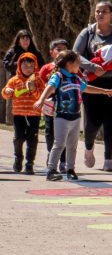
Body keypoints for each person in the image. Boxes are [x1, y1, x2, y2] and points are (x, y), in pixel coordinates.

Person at [34, 50, 112, 181]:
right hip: (61, 116)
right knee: (59, 144)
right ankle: (51, 170)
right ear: (69, 64)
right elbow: (50, 87)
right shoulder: (59, 76)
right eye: (78, 63)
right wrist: (41, 100)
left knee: (72, 146)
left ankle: (70, 169)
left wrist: (103, 91)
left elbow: (87, 88)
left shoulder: (76, 78)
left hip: (75, 117)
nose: (80, 65)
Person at [72, 0, 112, 172]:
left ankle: (108, 159)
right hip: (92, 82)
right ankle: (89, 147)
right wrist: (94, 67)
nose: (100, 14)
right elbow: (75, 54)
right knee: (93, 121)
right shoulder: (88, 33)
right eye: (98, 11)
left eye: (104, 11)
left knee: (110, 119)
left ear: (111, 14)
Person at [2, 52, 44, 174]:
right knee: (19, 138)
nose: (28, 68)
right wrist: (7, 91)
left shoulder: (38, 80)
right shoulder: (14, 80)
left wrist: (34, 89)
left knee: (32, 140)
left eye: (31, 66)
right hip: (18, 115)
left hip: (34, 115)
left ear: (35, 66)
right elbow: (5, 93)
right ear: (19, 66)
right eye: (25, 66)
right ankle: (18, 158)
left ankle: (29, 163)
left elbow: (41, 96)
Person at [39, 39, 70, 173]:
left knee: (65, 134)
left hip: (66, 107)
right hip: (50, 107)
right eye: (58, 49)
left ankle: (63, 161)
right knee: (50, 132)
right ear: (51, 52)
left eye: (64, 49)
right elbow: (40, 84)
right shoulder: (46, 68)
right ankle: (51, 155)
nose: (61, 52)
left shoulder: (72, 68)